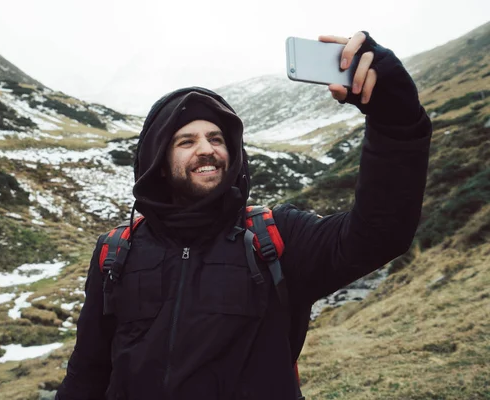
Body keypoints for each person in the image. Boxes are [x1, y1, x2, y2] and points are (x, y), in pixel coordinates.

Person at [56, 31, 432, 400]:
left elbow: (381, 233)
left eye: (217, 139)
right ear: (158, 162)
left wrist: (394, 113)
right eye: (186, 141)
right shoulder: (117, 252)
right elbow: (87, 371)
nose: (207, 149)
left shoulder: (276, 237)